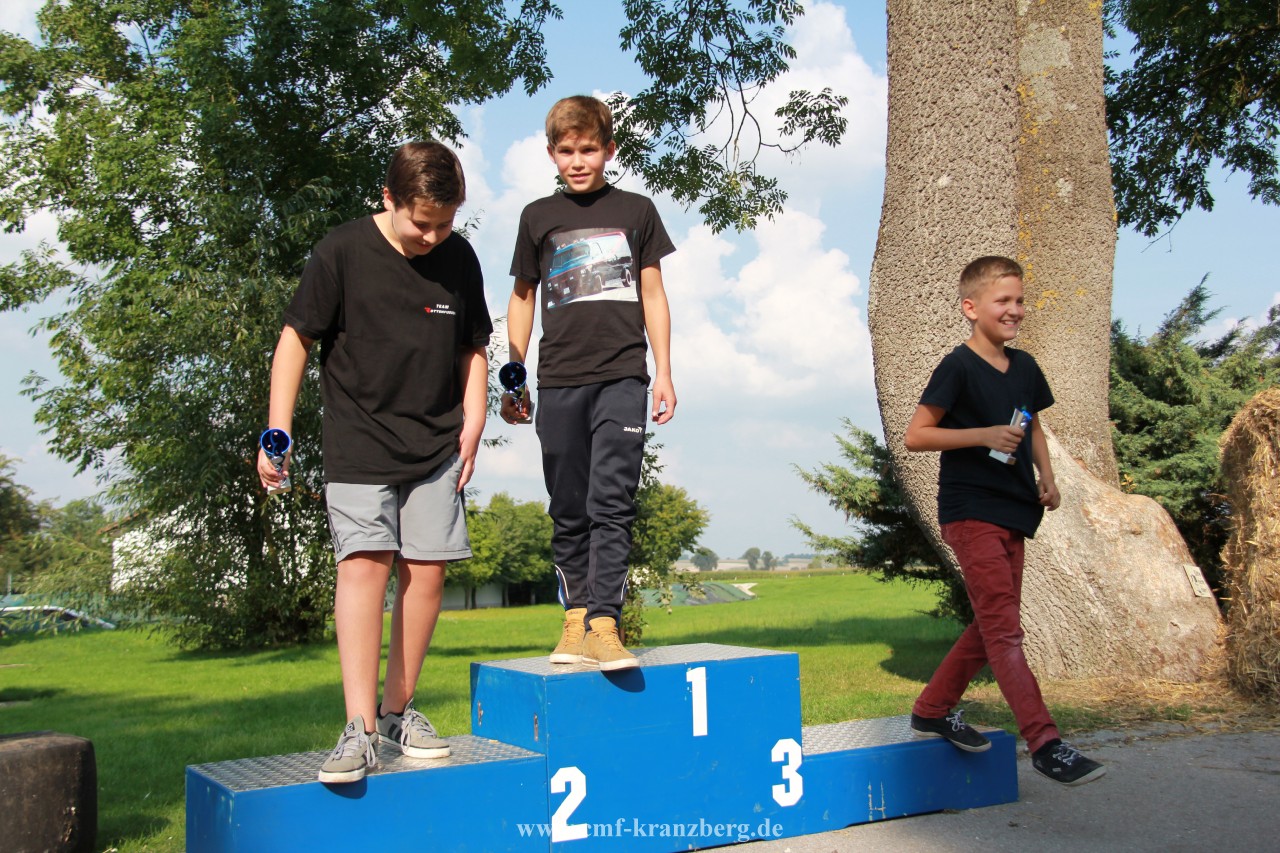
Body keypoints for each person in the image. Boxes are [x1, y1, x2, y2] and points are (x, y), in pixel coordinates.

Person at [257, 141, 491, 784]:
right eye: (423, 223)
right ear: (388, 199)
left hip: (437, 446)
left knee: (428, 572)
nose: (433, 236)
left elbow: (473, 347)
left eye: (446, 222)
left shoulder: (459, 257)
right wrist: (278, 429)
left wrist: (475, 419)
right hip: (358, 442)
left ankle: (396, 713)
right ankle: (358, 728)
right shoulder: (341, 251)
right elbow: (295, 340)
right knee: (364, 566)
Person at [903, 255, 1105, 787]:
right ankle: (1045, 743)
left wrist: (1047, 475)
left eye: (1019, 300)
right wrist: (983, 435)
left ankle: (932, 709)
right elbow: (917, 435)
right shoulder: (957, 367)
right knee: (1004, 631)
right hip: (971, 512)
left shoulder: (1026, 368)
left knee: (992, 625)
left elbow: (1031, 426)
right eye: (1003, 301)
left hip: (1014, 510)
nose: (1015, 309)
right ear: (971, 308)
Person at [502, 95, 677, 672]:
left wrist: (664, 371)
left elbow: (653, 293)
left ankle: (605, 622)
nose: (577, 161)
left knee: (611, 501)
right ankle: (575, 618)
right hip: (558, 380)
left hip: (623, 376)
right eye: (566, 151)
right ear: (551, 153)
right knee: (568, 504)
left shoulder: (637, 210)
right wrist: (514, 372)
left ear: (609, 150)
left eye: (588, 150)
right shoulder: (537, 217)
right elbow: (522, 297)